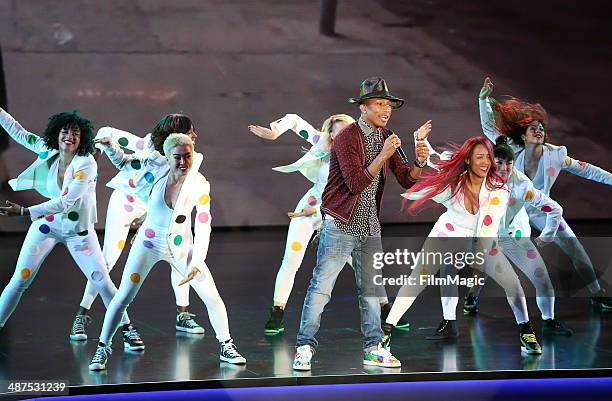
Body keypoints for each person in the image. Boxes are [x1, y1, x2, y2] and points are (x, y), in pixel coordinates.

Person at [292, 77, 430, 371]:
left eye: (388, 104)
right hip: (340, 224)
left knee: (370, 291)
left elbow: (406, 179)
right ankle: (304, 346)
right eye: (379, 104)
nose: (386, 109)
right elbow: (355, 183)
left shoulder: (387, 136)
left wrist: (418, 162)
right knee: (321, 288)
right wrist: (383, 154)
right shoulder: (346, 138)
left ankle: (373, 348)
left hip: (369, 227)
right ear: (363, 107)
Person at [89, 133, 246, 371]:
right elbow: (124, 163)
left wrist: (197, 260)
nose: (183, 162)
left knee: (212, 296)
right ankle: (103, 348)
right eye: (177, 157)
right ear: (167, 157)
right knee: (123, 297)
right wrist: (111, 147)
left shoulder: (199, 184)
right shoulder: (156, 169)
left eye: (187, 157)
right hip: (148, 245)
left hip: (181, 248)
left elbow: (204, 222)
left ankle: (226, 344)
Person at [248, 114, 411, 335]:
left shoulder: (361, 153)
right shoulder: (321, 141)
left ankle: (385, 309)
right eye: (339, 131)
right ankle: (277, 311)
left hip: (341, 212)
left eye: (349, 129)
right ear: (331, 134)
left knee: (363, 263)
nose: (345, 134)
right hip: (310, 208)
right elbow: (295, 121)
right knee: (291, 259)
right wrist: (275, 131)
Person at [382, 136, 543, 355]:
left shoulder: (498, 190)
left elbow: (486, 230)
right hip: (446, 235)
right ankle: (387, 330)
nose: (486, 162)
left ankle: (526, 331)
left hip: (482, 241)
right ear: (468, 160)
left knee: (512, 283)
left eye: (488, 157)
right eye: (480, 157)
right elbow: (430, 176)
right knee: (417, 279)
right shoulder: (454, 182)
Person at [0, 107, 144, 351]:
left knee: (101, 281)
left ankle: (127, 329)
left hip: (79, 232)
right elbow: (19, 132)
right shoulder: (48, 150)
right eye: (65, 131)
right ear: (56, 134)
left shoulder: (86, 164)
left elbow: (65, 202)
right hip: (47, 226)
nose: (69, 136)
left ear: (82, 138)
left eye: (75, 133)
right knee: (20, 279)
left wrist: (24, 212)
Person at [479, 77, 612, 309]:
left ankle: (597, 294)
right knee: (494, 248)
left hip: (541, 208)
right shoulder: (511, 148)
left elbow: (588, 170)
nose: (539, 131)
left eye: (541, 129)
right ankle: (472, 297)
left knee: (574, 246)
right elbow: (490, 128)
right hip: (511, 209)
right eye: (533, 129)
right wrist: (483, 101)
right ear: (523, 135)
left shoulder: (556, 155)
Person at [69, 114, 204, 341]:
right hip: (126, 202)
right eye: (191, 130)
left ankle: (183, 313)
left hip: (155, 208)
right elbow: (106, 130)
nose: (195, 135)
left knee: (180, 251)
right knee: (108, 259)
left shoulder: (187, 156)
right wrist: (96, 154)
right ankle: (82, 314)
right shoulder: (147, 145)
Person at [430, 136, 573, 336]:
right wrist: (424, 147)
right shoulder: (474, 177)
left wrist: (547, 235)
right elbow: (441, 161)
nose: (505, 168)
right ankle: (450, 320)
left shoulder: (521, 185)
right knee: (449, 267)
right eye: (499, 163)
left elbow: (555, 209)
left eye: (509, 163)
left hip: (512, 235)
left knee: (540, 277)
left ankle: (548, 321)